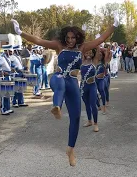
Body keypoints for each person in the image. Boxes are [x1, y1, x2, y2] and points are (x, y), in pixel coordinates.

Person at [11, 13, 119, 166]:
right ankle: (57, 106)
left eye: (73, 38)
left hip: (73, 82)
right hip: (58, 77)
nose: (69, 41)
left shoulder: (82, 48)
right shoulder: (58, 46)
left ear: (78, 38)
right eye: (67, 38)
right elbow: (38, 40)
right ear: (64, 38)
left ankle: (70, 149)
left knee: (75, 118)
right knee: (60, 83)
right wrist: (20, 32)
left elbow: (100, 39)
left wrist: (114, 25)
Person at [81, 46, 101, 132]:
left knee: (93, 105)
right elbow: (80, 50)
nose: (88, 54)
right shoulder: (82, 61)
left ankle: (96, 124)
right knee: (86, 104)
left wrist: (97, 45)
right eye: (86, 53)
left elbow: (98, 49)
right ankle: (89, 121)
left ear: (92, 54)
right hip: (83, 86)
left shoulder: (94, 62)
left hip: (92, 86)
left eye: (90, 53)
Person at [0, 34, 15, 115]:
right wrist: (2, 72)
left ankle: (8, 108)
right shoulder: (1, 58)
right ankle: (3, 109)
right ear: (6, 50)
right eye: (10, 51)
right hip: (4, 77)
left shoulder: (8, 57)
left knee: (8, 94)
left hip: (8, 77)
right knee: (3, 94)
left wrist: (12, 69)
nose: (11, 52)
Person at [11, 35, 29, 107]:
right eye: (19, 50)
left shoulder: (19, 56)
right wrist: (17, 69)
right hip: (16, 74)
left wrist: (24, 68)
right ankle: (14, 102)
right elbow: (12, 65)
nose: (20, 51)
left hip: (20, 73)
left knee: (21, 88)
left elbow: (20, 65)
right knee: (16, 89)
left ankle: (21, 101)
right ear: (15, 50)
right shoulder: (12, 57)